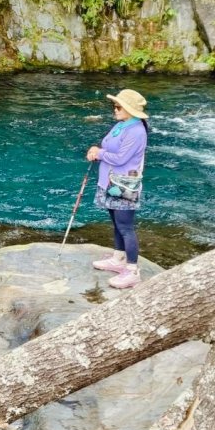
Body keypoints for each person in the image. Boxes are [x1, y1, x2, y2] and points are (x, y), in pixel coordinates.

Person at [86, 88, 149, 289]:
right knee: (116, 223)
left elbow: (121, 158)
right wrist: (95, 150)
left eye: (118, 106)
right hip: (109, 182)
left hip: (123, 185)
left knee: (126, 227)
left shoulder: (136, 131)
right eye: (114, 106)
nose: (115, 109)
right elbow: (108, 148)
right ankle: (118, 258)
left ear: (130, 110)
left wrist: (100, 153)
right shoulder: (121, 125)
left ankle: (132, 271)